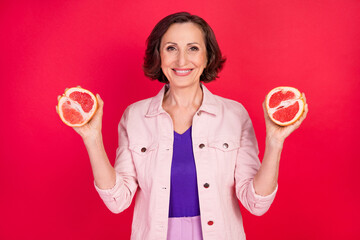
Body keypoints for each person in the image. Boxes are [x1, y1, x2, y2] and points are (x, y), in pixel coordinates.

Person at [58, 12, 308, 240]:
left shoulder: (234, 115)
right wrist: (92, 139)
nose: (182, 60)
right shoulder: (134, 117)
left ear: (207, 55)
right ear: (159, 55)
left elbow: (256, 203)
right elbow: (118, 201)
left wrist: (275, 142)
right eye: (171, 48)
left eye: (193, 48)